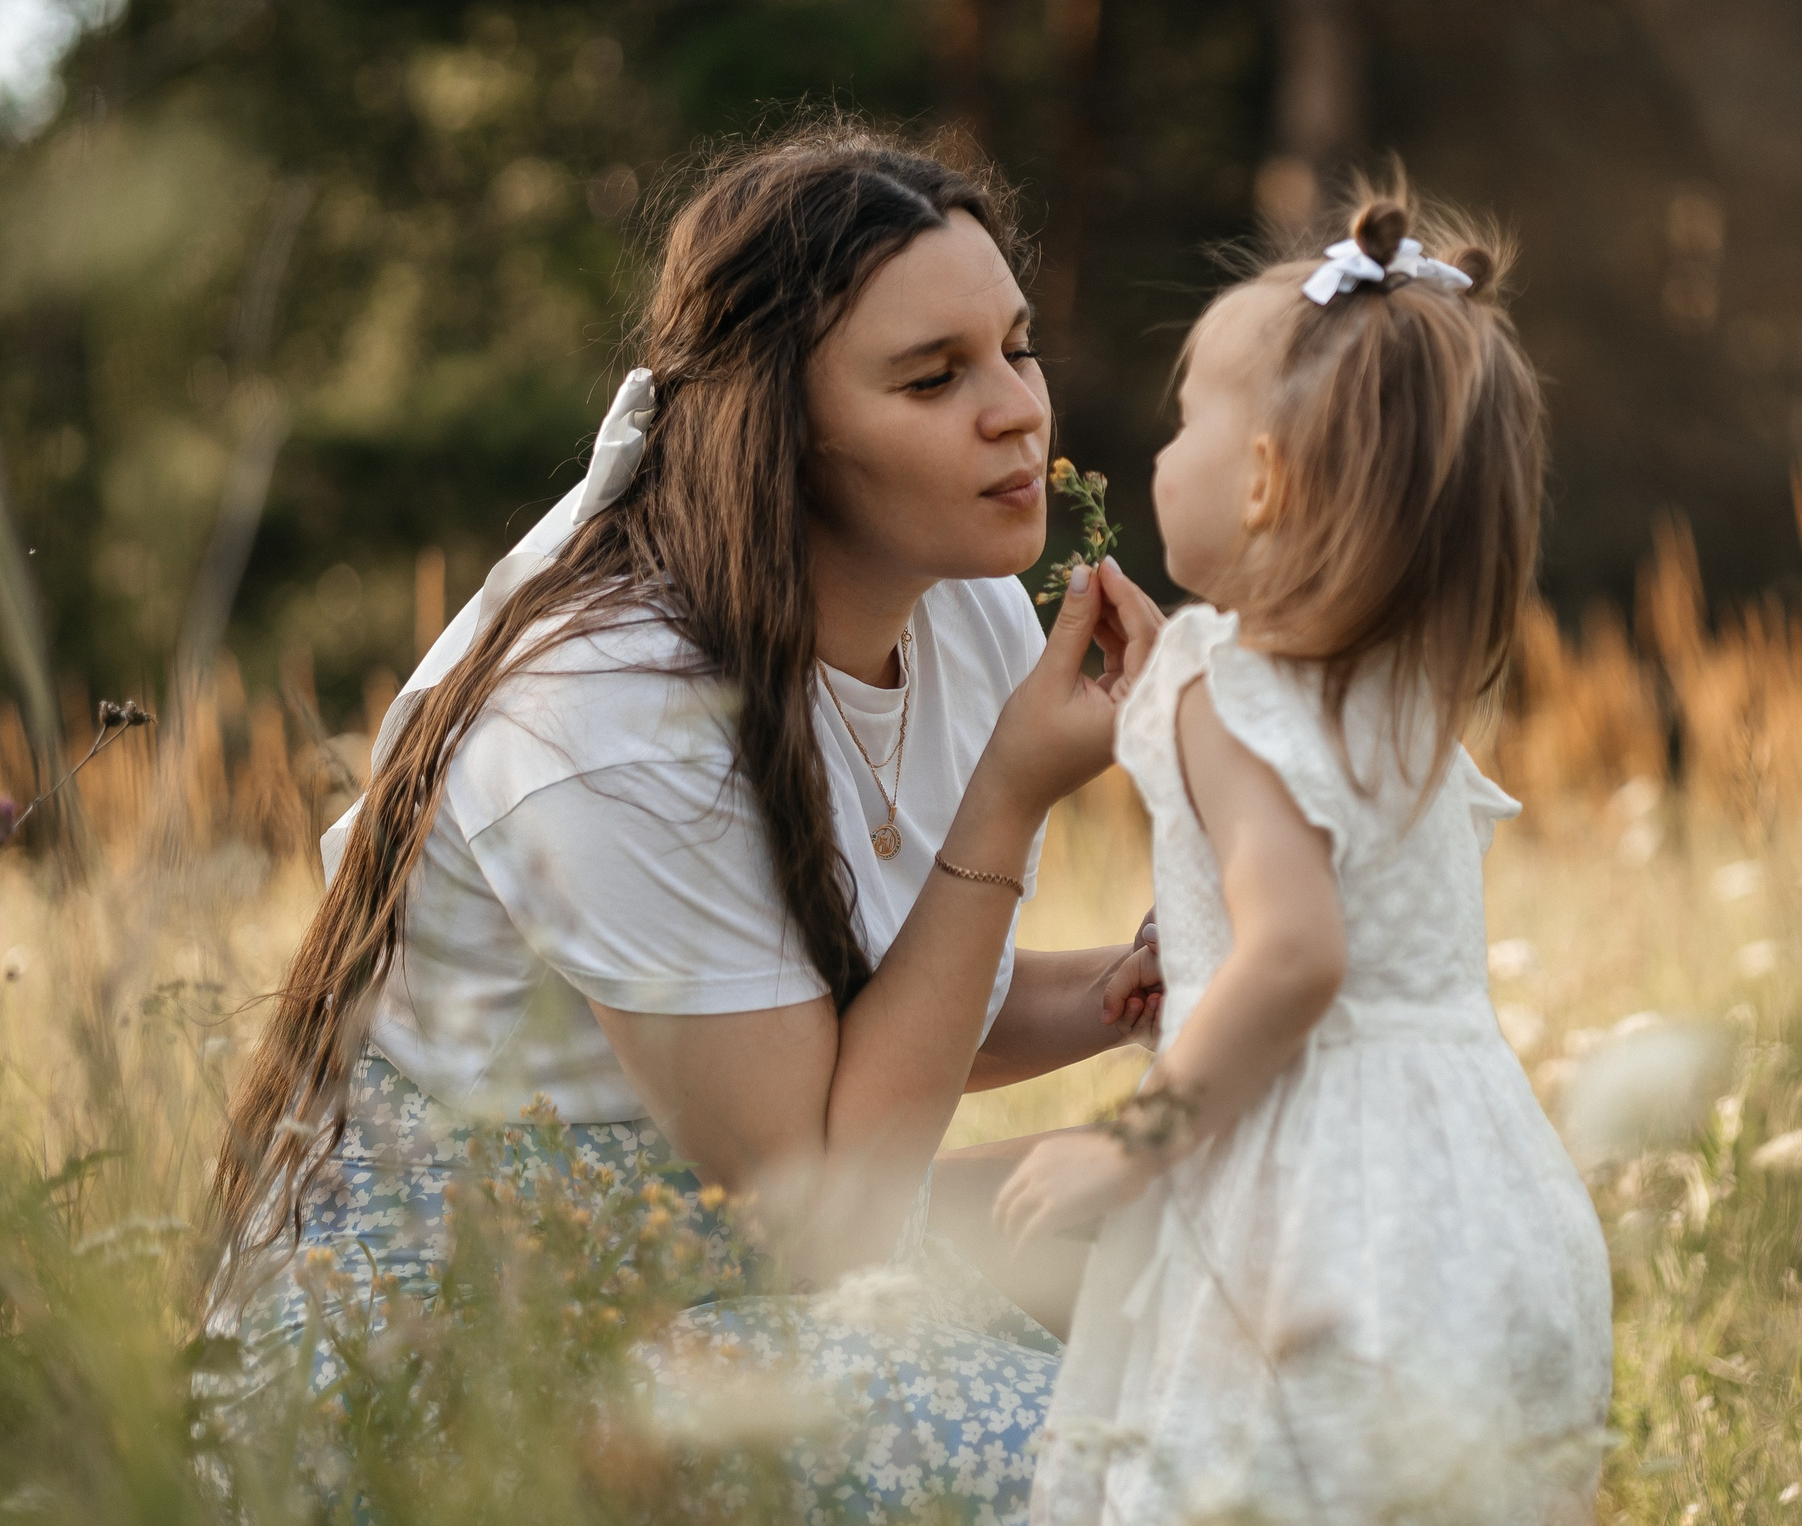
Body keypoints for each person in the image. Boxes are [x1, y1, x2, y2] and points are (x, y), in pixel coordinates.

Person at [201, 123, 1166, 1522]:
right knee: (1101, 1472)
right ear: (779, 428)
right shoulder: (616, 710)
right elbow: (819, 1214)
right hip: (486, 1335)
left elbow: (866, 1016)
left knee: (1231, 1244)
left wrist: (1129, 992)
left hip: (711, 1249)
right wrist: (1012, 799)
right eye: (932, 376)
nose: (1019, 409)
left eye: (1015, 349)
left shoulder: (952, 604)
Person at [994, 188, 1614, 1523]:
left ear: (1265, 479)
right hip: (1477, 1197)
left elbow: (1295, 953)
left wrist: (1133, 1141)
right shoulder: (1398, 692)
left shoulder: (1228, 695)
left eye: (1182, 424)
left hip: (1311, 1198)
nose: (1157, 453)